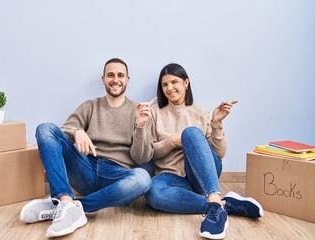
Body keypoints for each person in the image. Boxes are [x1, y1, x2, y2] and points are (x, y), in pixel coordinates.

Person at [19, 58, 154, 238]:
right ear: (103, 79)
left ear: (128, 79)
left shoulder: (138, 111)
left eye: (120, 75)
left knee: (143, 178)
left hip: (115, 176)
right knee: (44, 129)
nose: (115, 79)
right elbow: (61, 133)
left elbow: (141, 158)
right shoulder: (90, 106)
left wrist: (140, 125)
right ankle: (65, 201)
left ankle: (71, 206)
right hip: (86, 167)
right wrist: (78, 131)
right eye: (110, 75)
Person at [145, 63, 263, 239]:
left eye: (174, 82)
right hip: (172, 178)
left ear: (186, 83)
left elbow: (219, 153)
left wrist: (216, 124)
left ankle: (214, 204)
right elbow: (150, 153)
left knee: (191, 133)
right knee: (152, 192)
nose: (169, 88)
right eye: (164, 84)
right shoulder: (154, 114)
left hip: (203, 178)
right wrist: (171, 142)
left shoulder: (201, 112)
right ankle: (221, 205)